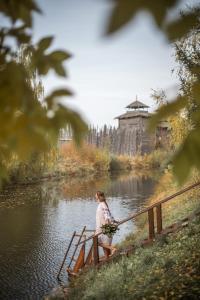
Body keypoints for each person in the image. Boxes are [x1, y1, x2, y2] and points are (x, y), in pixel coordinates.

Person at [95, 191, 117, 258]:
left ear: (98, 197)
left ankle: (113, 249)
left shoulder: (102, 204)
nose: (95, 197)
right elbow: (109, 214)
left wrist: (108, 227)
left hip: (104, 228)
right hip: (101, 228)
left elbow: (107, 216)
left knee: (98, 243)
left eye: (96, 196)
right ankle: (108, 259)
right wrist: (114, 220)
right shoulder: (102, 204)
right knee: (103, 245)